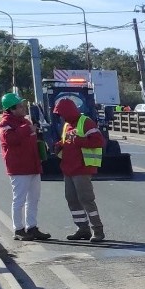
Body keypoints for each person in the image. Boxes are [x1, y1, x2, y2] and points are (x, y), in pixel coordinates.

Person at [0, 93, 51, 242]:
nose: (24, 108)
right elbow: (9, 140)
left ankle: (31, 227)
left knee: (33, 199)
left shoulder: (25, 122)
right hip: (19, 168)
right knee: (19, 200)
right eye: (20, 106)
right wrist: (27, 129)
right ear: (12, 109)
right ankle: (18, 229)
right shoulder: (5, 124)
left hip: (33, 165)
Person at [51, 98, 107, 243]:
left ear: (68, 111)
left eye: (61, 113)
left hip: (82, 168)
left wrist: (77, 140)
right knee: (72, 199)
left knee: (86, 199)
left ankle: (97, 230)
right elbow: (66, 140)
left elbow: (99, 141)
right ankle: (82, 228)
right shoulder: (67, 125)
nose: (61, 117)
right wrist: (59, 145)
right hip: (68, 168)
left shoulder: (86, 122)